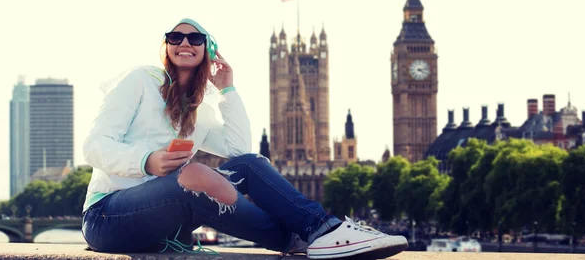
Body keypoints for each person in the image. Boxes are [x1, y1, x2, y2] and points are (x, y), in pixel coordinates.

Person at [81, 17, 408, 259]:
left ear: (208, 52)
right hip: (108, 218)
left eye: (195, 38)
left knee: (249, 165)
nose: (184, 42)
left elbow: (239, 150)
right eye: (175, 36)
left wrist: (228, 90)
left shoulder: (200, 111)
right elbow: (94, 145)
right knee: (192, 177)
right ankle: (297, 239)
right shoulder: (139, 80)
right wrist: (146, 161)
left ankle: (318, 230)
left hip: (164, 221)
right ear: (165, 46)